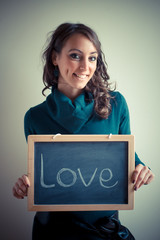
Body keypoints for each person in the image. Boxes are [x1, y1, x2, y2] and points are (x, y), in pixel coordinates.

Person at [12, 23, 154, 240]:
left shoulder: (116, 105)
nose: (85, 67)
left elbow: (129, 159)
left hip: (105, 231)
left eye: (92, 58)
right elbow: (44, 179)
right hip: (55, 233)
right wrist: (25, 185)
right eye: (75, 56)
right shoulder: (34, 118)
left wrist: (142, 169)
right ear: (54, 58)